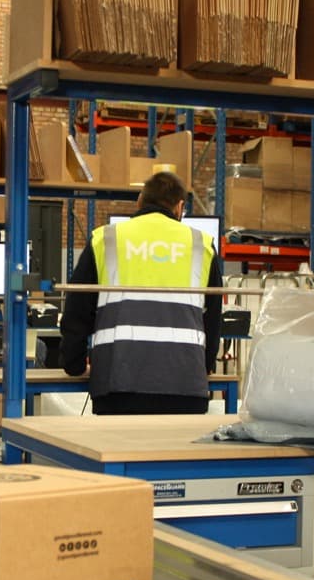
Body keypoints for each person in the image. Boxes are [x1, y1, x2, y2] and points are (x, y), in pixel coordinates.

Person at [60, 170, 223, 414]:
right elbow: (213, 316)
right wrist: (207, 364)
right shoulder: (201, 244)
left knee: (118, 452)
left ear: (139, 200)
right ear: (180, 207)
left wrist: (73, 364)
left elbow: (77, 308)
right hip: (184, 381)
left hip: (118, 384)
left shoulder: (106, 238)